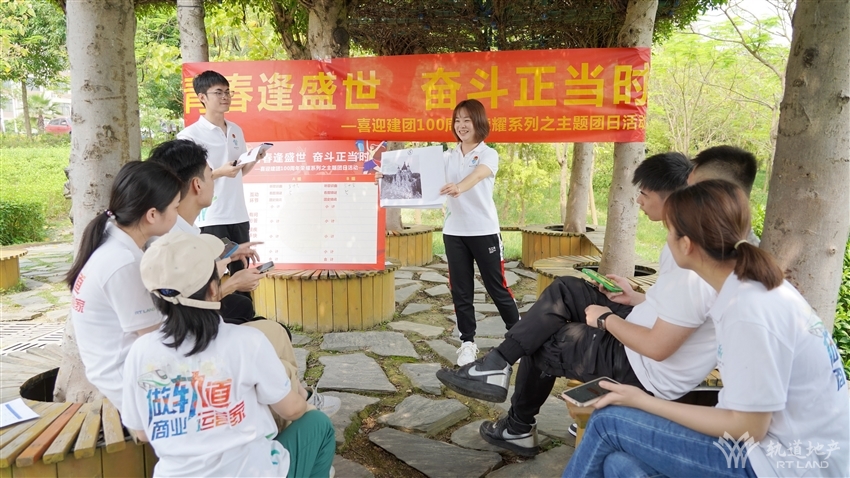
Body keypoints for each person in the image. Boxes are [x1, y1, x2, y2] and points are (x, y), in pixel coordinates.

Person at [437, 149, 756, 457]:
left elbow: (660, 346)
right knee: (566, 289)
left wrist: (606, 319)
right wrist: (637, 298)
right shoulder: (716, 243)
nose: (685, 191)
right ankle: (496, 366)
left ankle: (516, 423)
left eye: (692, 186)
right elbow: (686, 313)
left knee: (544, 338)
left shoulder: (698, 262)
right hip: (646, 341)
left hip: (644, 369)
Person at [563, 180, 849, 477]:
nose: (667, 239)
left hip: (781, 464)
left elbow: (748, 427)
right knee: (619, 466)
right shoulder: (750, 288)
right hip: (781, 453)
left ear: (686, 244)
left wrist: (644, 402)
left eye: (669, 232)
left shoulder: (748, 311)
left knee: (608, 422)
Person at [145, 139, 340, 416]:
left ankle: (296, 396)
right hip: (192, 334)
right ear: (197, 185)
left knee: (247, 310)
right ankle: (296, 404)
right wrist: (233, 283)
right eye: (211, 174)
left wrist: (229, 255)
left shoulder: (178, 228)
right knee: (272, 332)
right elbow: (178, 302)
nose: (215, 180)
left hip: (191, 329)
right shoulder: (170, 237)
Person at [122, 232, 336, 477]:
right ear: (214, 289)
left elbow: (141, 432)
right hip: (253, 472)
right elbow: (292, 411)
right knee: (319, 424)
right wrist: (304, 400)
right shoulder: (246, 342)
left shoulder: (140, 351)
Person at [65, 161, 182, 412]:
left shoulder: (112, 239)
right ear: (152, 215)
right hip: (126, 380)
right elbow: (154, 338)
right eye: (175, 207)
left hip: (116, 368)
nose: (177, 214)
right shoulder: (124, 263)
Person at [441, 99, 520, 366]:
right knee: (461, 291)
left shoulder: (489, 154)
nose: (461, 125)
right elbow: (419, 176)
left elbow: (477, 176)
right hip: (454, 232)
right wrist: (388, 177)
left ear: (479, 123)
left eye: (467, 120)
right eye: (457, 120)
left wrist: (459, 187)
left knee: (497, 287)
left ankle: (520, 335)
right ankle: (467, 343)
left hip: (484, 231)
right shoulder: (447, 157)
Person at [177, 70, 257, 275]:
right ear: (202, 97)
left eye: (228, 92)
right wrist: (220, 172)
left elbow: (239, 172)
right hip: (211, 217)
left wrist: (255, 158)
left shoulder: (235, 130)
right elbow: (188, 179)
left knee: (242, 274)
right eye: (218, 92)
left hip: (238, 214)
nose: (225, 97)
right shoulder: (189, 136)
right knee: (212, 275)